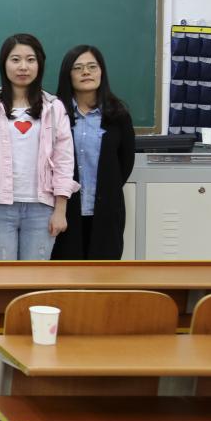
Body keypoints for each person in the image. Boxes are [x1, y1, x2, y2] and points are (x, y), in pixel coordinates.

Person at [0, 34, 79, 261]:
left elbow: (64, 160)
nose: (23, 67)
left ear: (40, 64)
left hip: (42, 207)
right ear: (4, 64)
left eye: (30, 60)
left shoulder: (54, 108)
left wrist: (61, 210)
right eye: (15, 59)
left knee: (34, 277)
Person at [52, 45, 136, 260]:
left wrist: (107, 188)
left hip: (106, 210)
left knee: (103, 273)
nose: (86, 72)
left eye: (92, 66)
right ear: (68, 74)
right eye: (78, 68)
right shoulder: (55, 114)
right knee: (65, 272)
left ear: (101, 72)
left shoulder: (118, 115)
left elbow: (125, 163)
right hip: (63, 211)